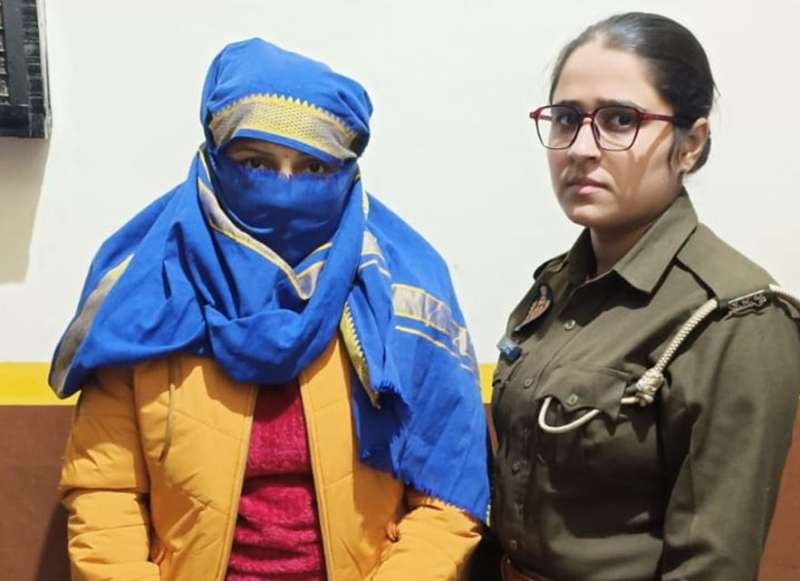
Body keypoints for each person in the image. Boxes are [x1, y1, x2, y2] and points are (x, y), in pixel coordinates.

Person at [51, 38, 489, 581]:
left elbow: (447, 498)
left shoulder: (403, 293)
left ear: (346, 172)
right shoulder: (148, 294)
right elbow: (105, 494)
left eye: (312, 166)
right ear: (215, 160)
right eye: (255, 162)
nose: (283, 190)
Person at [490, 12, 800, 581]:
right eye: (566, 119)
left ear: (691, 144)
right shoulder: (555, 287)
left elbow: (711, 565)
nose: (582, 148)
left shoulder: (731, 316)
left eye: (619, 120)